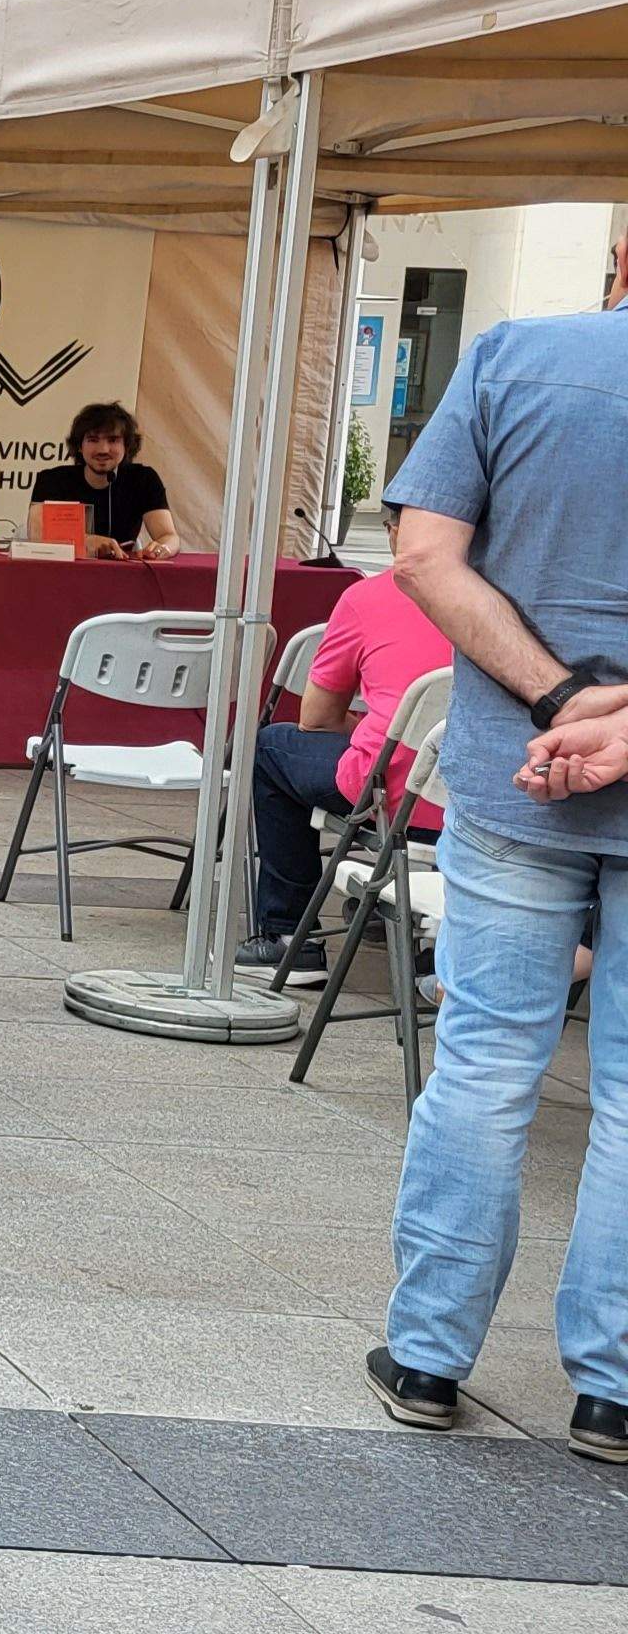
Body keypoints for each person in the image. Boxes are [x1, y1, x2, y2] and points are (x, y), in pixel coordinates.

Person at [364, 252, 628, 1464]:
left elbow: (423, 555)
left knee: (482, 1060)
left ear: (621, 256)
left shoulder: (514, 356)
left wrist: (558, 695)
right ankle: (613, 1384)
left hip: (514, 777)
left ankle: (427, 1353)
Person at [238, 524, 452, 984]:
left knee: (272, 747)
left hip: (394, 798)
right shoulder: (519, 597)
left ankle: (288, 939)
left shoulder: (370, 597)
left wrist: (379, 729)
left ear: (396, 529)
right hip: (493, 800)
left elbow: (315, 719)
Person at [29, 401, 182, 558]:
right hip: (63, 572)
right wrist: (86, 541)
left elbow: (169, 536)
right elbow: (36, 535)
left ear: (127, 446)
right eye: (93, 440)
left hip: (122, 575)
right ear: (80, 446)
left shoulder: (144, 479)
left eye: (113, 440)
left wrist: (161, 549)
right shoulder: (52, 479)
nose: (103, 449)